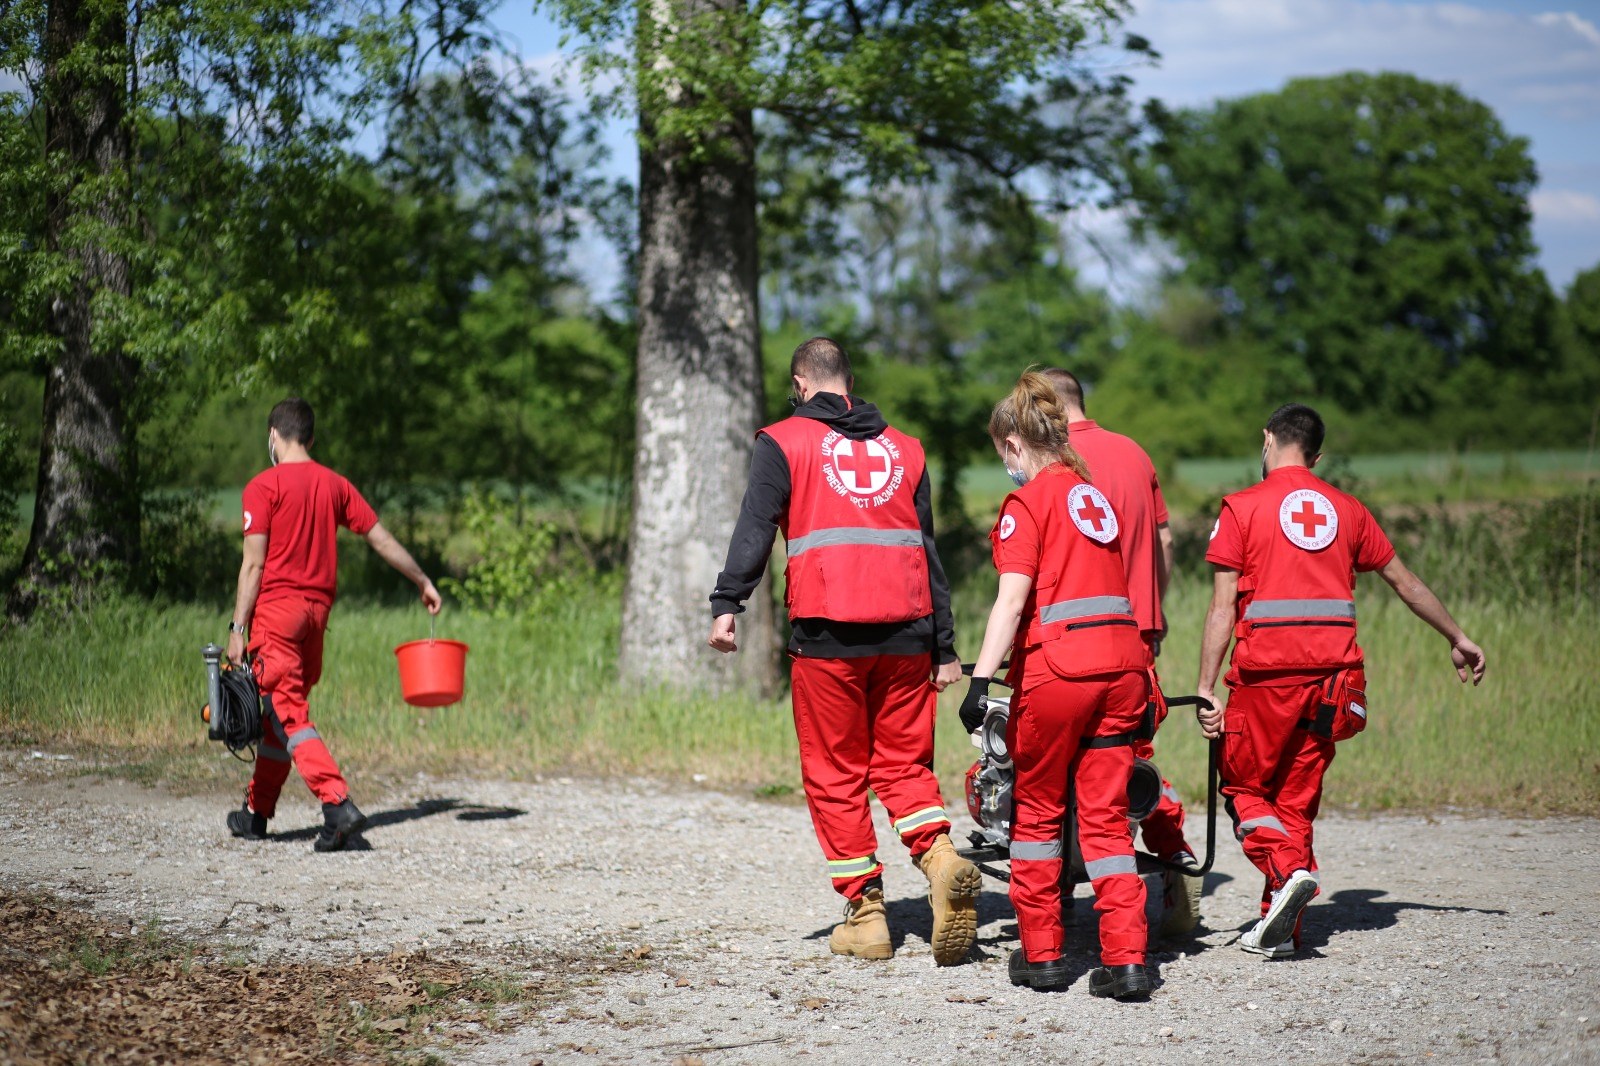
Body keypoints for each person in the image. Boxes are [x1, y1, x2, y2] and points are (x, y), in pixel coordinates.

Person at [708, 337, 978, 966]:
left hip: (829, 636)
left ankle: (867, 915)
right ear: (849, 383)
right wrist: (946, 646)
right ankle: (940, 861)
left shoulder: (784, 441)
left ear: (801, 383)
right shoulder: (907, 448)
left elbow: (755, 526)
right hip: (909, 633)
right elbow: (928, 550)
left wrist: (728, 603)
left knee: (835, 772)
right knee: (903, 765)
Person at [1195, 403, 1486, 956]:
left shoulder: (1242, 507)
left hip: (1266, 681)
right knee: (1295, 803)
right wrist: (1457, 636)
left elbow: (1221, 609)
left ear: (1267, 440)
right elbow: (1406, 583)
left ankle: (1285, 877)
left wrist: (1206, 687)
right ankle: (1282, 932)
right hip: (1335, 681)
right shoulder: (1348, 509)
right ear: (1317, 455)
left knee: (1244, 790)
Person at [959, 370, 1153, 1000]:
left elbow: (1011, 604)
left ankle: (1043, 956)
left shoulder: (1027, 503)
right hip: (1124, 669)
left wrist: (981, 680)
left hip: (1061, 670)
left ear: (1014, 444)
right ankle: (1126, 961)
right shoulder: (1090, 495)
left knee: (1037, 811)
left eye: (1001, 455)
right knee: (1106, 820)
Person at [225, 397, 442, 851]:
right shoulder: (335, 484)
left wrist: (237, 630)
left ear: (274, 436)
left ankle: (337, 804)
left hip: (277, 615)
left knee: (287, 713)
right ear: (311, 437)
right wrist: (422, 579)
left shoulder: (263, 487)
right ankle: (256, 813)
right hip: (316, 618)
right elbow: (380, 538)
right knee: (277, 718)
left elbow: (252, 566)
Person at [1043, 367, 1202, 936]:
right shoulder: (1134, 453)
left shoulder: (1053, 464)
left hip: (1072, 640)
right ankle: (1174, 860)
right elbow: (1164, 538)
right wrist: (1151, 610)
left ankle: (1054, 892)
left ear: (1048, 410)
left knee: (1058, 765)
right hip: (1137, 635)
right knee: (1131, 758)